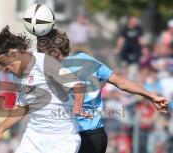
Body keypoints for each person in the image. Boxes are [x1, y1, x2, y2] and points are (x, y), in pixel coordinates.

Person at [38, 29, 168, 153]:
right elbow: (121, 82)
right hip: (97, 135)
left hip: (74, 136)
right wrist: (151, 96)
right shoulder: (87, 60)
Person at [0, 26, 86, 153]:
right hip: (34, 136)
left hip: (62, 137)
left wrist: (77, 106)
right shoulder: (17, 76)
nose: (6, 69)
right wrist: (0, 130)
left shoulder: (43, 62)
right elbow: (23, 107)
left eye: (6, 64)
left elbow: (77, 85)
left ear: (14, 53)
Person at [115, 16, 143, 80]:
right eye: (133, 21)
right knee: (123, 69)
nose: (135, 23)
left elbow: (140, 39)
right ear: (129, 21)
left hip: (136, 52)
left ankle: (131, 82)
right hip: (125, 52)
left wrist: (143, 48)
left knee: (133, 70)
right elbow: (121, 39)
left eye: (136, 22)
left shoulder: (139, 28)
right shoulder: (125, 29)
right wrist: (118, 48)